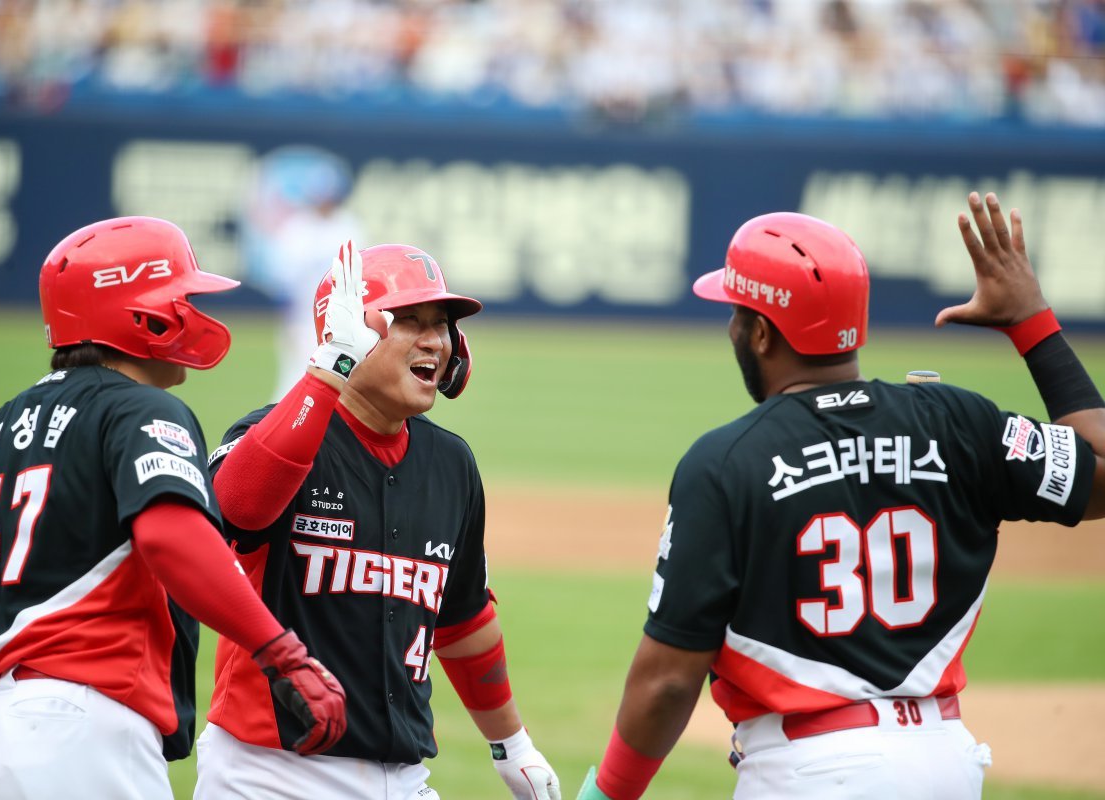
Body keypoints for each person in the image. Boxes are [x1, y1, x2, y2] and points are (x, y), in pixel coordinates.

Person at [577, 192, 1105, 799]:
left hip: (809, 772)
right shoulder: (959, 421)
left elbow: (669, 682)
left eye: (736, 313)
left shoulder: (725, 462)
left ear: (761, 334)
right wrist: (1031, 321)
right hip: (948, 765)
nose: (731, 327)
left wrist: (607, 794)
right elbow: (1099, 469)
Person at [0, 216, 347, 800]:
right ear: (140, 313)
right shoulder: (141, 410)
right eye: (181, 297)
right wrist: (280, 651)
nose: (193, 310)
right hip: (76, 731)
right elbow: (171, 535)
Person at [195, 241, 561, 800]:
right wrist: (330, 370)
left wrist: (513, 747)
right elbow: (235, 510)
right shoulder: (275, 437)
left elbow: (463, 621)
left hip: (403, 775)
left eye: (441, 325)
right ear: (348, 331)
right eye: (408, 321)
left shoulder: (451, 464)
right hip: (269, 773)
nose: (434, 341)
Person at [239, 145, 364, 401]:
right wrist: (290, 319)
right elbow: (281, 280)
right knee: (294, 379)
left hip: (341, 320)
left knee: (342, 384)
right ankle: (272, 431)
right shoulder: (297, 229)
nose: (325, 200)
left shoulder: (349, 226)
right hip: (302, 318)